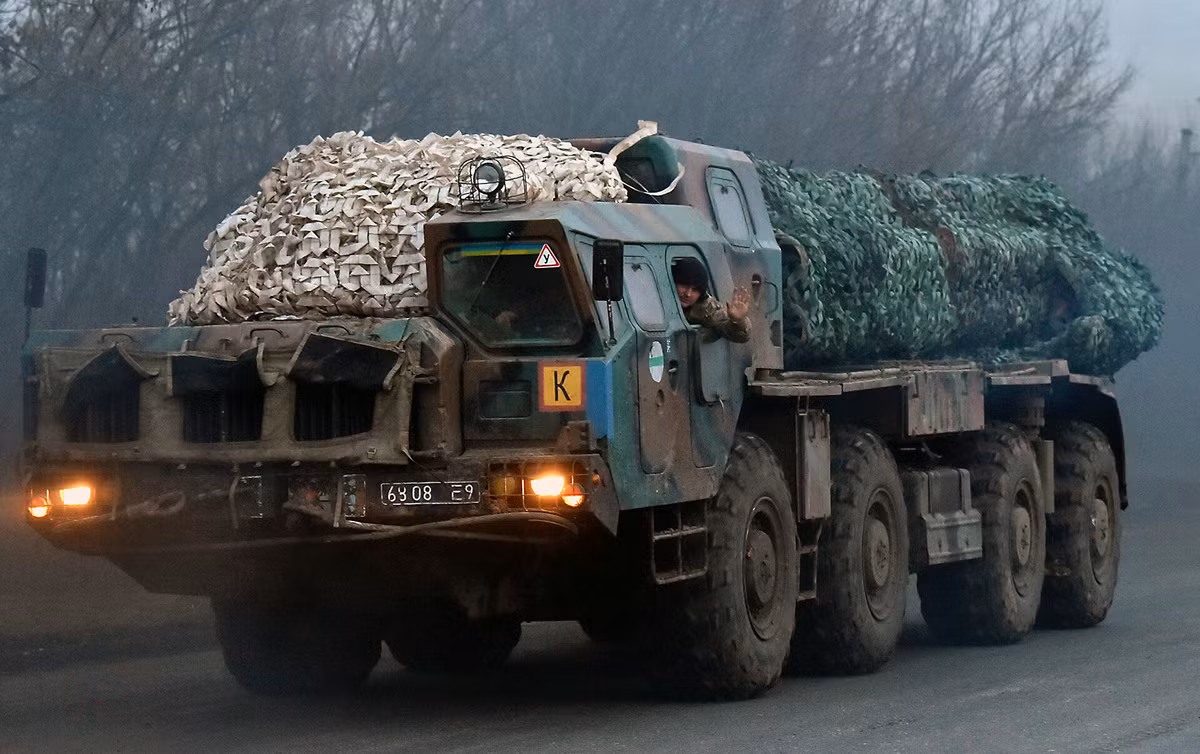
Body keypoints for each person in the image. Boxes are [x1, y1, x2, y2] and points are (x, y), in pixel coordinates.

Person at [671, 257, 751, 344]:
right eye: (684, 285)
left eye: (695, 289)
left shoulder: (705, 307)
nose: (688, 294)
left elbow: (741, 336)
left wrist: (738, 320)